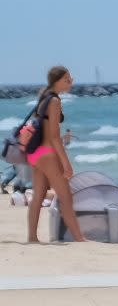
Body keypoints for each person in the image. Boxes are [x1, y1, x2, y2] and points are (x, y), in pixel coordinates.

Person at [17, 66, 84, 243]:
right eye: (67, 79)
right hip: (47, 154)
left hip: (35, 153)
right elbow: (54, 137)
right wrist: (67, 164)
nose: (71, 82)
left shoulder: (44, 97)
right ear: (57, 81)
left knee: (38, 197)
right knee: (65, 197)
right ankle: (80, 239)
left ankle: (32, 237)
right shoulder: (54, 101)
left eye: (71, 79)